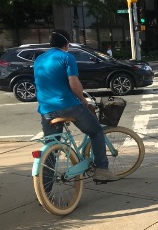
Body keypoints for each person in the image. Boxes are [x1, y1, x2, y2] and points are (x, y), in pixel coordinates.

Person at [34, 29, 119, 183]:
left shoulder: (39, 59)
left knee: (51, 148)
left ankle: (45, 190)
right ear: (66, 44)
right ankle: (102, 170)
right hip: (68, 105)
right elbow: (74, 83)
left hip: (46, 110)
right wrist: (82, 99)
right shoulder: (67, 57)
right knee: (96, 131)